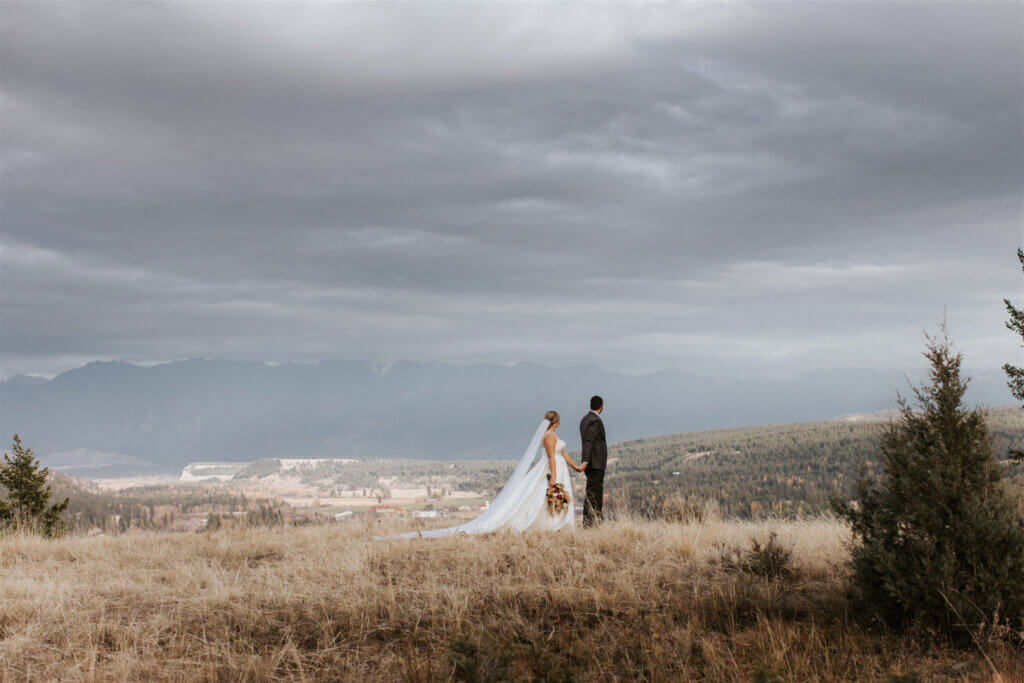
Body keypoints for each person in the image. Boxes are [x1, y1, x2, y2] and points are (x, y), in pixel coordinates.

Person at [379, 410, 584, 539]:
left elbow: (562, 453)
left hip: (561, 469)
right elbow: (550, 457)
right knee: (539, 499)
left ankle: (557, 525)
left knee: (551, 500)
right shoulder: (549, 437)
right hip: (550, 471)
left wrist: (575, 467)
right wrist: (554, 477)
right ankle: (548, 526)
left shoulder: (554, 436)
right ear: (555, 421)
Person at [579, 395, 608, 526]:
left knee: (591, 491)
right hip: (595, 463)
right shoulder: (595, 420)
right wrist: (586, 460)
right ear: (601, 407)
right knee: (595, 492)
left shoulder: (584, 419)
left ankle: (589, 521)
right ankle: (593, 521)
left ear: (590, 405)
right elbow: (589, 442)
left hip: (591, 462)